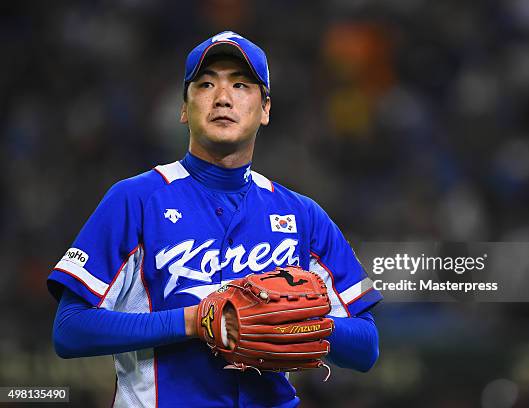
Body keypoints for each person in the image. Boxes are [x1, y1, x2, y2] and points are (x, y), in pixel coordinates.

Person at [48, 31, 382, 407]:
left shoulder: (302, 215)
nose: (223, 97)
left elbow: (366, 347)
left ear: (266, 108)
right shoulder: (136, 199)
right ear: (183, 108)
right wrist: (193, 321)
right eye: (206, 84)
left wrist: (296, 322)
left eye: (240, 84)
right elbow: (70, 330)